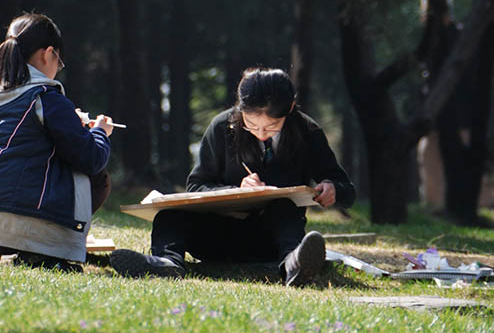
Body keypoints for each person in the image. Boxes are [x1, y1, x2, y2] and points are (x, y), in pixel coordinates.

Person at [110, 67, 356, 285]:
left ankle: (294, 266)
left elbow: (346, 189)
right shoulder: (221, 127)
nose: (261, 134)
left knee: (283, 206)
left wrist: (333, 188)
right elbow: (196, 186)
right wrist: (235, 190)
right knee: (168, 213)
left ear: (290, 109)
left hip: (271, 240)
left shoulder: (307, 132)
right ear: (240, 109)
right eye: (251, 124)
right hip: (214, 235)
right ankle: (166, 264)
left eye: (272, 127)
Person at [0, 12, 114, 270]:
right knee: (97, 177)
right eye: (59, 61)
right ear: (48, 54)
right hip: (17, 227)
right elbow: (91, 158)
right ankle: (41, 251)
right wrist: (100, 132)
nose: (57, 69)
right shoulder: (46, 97)